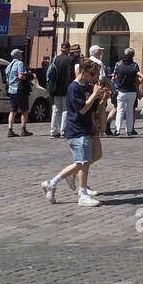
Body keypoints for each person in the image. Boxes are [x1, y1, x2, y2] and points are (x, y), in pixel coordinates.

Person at [40, 59, 108, 207]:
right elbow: (82, 109)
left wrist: (98, 97)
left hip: (86, 127)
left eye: (95, 74)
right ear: (82, 72)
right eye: (92, 74)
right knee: (82, 162)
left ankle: (63, 181)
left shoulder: (84, 86)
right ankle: (79, 192)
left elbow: (89, 107)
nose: (94, 77)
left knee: (93, 156)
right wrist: (94, 94)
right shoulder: (74, 88)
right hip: (77, 129)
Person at [44, 42, 74, 139]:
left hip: (55, 87)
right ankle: (62, 131)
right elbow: (70, 75)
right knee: (65, 110)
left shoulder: (55, 59)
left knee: (56, 110)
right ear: (68, 49)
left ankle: (53, 131)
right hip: (66, 88)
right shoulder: (70, 59)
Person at [111, 48, 142, 136]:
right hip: (132, 91)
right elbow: (142, 77)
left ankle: (117, 130)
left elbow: (113, 77)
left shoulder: (118, 64)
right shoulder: (134, 65)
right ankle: (129, 130)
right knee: (130, 111)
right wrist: (137, 83)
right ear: (133, 55)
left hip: (121, 90)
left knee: (120, 111)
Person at [5, 49, 33, 138]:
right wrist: (29, 76)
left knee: (12, 111)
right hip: (20, 90)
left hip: (11, 90)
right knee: (24, 111)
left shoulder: (8, 66)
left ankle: (10, 130)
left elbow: (7, 80)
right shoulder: (19, 64)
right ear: (17, 55)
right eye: (20, 54)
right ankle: (23, 130)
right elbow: (21, 76)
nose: (21, 55)